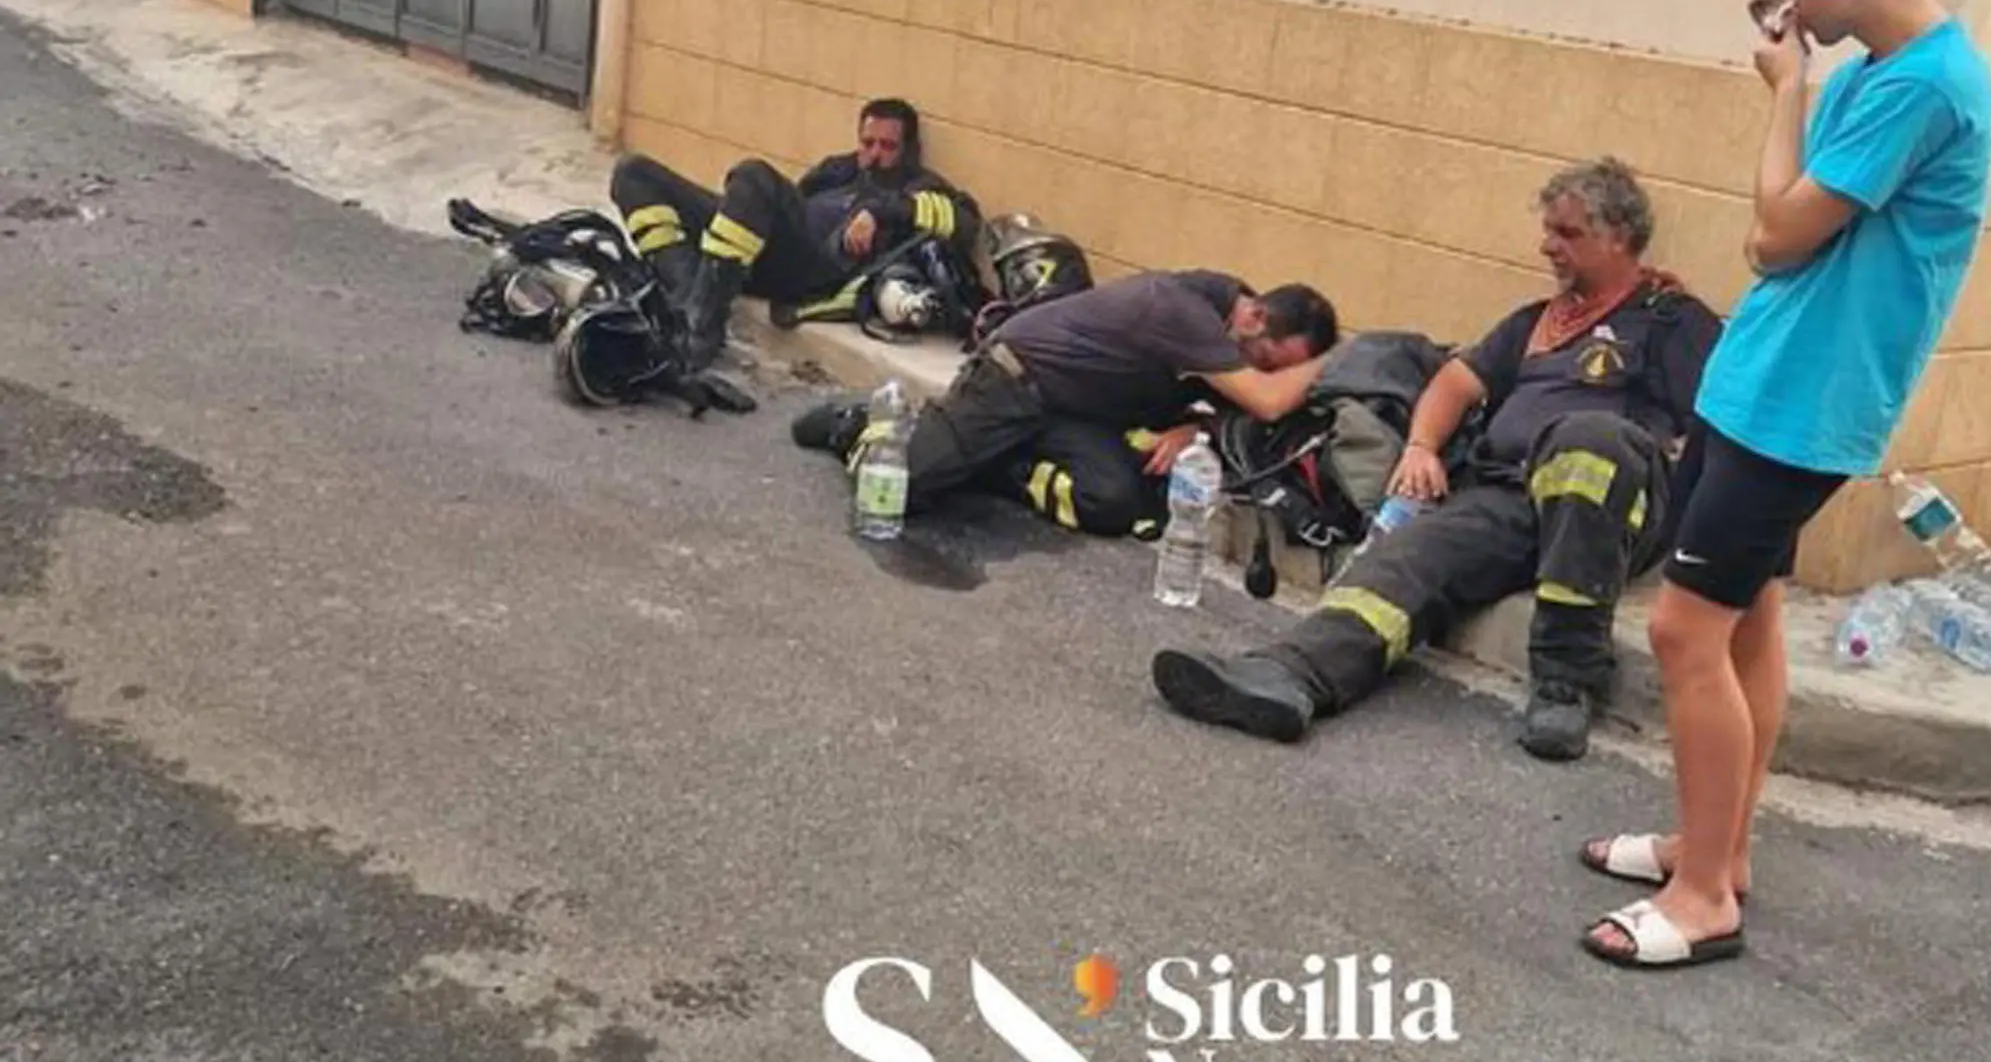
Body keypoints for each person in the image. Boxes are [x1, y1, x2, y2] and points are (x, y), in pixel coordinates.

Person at [1582, 0, 1991, 971]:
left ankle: (1706, 893)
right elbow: (1801, 223)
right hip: (1763, 382)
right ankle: (1711, 845)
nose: (1785, 2)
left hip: (1804, 406)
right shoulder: (1878, 69)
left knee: (1681, 629)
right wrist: (1807, 92)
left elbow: (1772, 238)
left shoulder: (1920, 84)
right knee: (1749, 613)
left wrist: (1785, 94)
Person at [1150, 161, 1717, 759]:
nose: (1546, 246)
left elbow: (1718, 424)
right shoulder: (1534, 321)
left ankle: (1566, 684)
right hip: (1508, 495)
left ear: (1620, 238)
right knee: (1406, 560)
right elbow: (1454, 382)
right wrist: (1421, 448)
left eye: (1567, 233)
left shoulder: (1670, 321)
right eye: (1548, 229)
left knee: (1589, 440)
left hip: (1606, 508)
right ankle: (1290, 677)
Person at [792, 270, 1340, 534]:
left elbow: (1234, 401)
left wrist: (1193, 432)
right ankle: (862, 423)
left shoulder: (1226, 326)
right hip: (1013, 382)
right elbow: (1268, 404)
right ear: (1255, 317)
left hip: (1071, 411)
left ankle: (989, 461)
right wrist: (1345, 353)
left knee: (1116, 503)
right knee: (901, 490)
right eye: (1271, 360)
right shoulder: (1181, 310)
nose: (1265, 373)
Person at [612, 99, 980, 372]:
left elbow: (966, 222)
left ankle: (701, 329)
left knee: (754, 174)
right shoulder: (839, 168)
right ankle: (688, 297)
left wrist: (880, 211)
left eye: (887, 147)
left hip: (812, 267)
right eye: (867, 143)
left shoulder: (919, 186)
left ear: (909, 150)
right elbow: (794, 200)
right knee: (633, 173)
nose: (873, 154)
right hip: (762, 247)